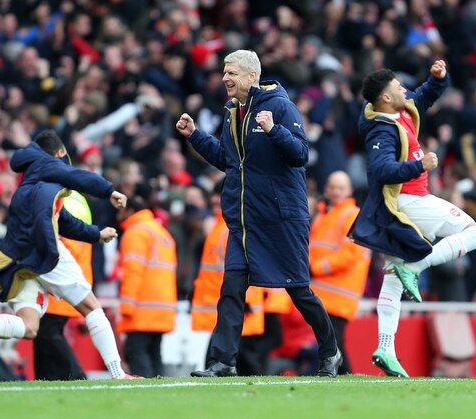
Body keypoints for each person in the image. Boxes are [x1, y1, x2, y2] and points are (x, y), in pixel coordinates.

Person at [176, 49, 342, 378]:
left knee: (298, 290)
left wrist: (273, 130)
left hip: (281, 218)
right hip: (246, 220)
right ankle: (223, 361)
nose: (225, 77)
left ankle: (330, 352)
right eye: (224, 71)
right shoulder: (232, 111)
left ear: (252, 77)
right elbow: (228, 159)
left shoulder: (279, 106)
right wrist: (195, 135)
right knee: (232, 288)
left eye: (232, 72)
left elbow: (301, 155)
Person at [0, 130, 138, 380]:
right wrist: (109, 191)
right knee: (91, 307)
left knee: (30, 328)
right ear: (61, 152)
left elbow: (63, 221)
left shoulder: (32, 182)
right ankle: (118, 374)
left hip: (16, 258)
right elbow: (78, 177)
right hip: (42, 252)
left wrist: (97, 235)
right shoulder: (46, 164)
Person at [349, 61, 476, 377]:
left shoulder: (403, 110)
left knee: (393, 282)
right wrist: (420, 165)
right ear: (385, 98)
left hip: (407, 203)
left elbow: (424, 96)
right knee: (475, 232)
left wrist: (438, 79)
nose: (404, 89)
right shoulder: (381, 128)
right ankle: (418, 264)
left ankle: (385, 347)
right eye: (398, 86)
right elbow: (381, 170)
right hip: (408, 202)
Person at [190, 178, 265, 375]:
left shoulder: (228, 227)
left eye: (218, 195)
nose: (215, 200)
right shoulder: (219, 227)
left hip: (239, 309)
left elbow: (247, 267)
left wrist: (245, 301)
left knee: (239, 360)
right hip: (231, 308)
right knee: (246, 362)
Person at [309, 170, 371, 374]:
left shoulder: (351, 215)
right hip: (326, 292)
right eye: (332, 187)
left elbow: (350, 253)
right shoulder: (324, 214)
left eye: (340, 188)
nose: (336, 191)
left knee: (333, 340)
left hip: (340, 292)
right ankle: (342, 375)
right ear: (326, 189)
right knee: (330, 340)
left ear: (349, 191)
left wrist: (316, 268)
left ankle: (345, 374)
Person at [117, 183, 177, 378]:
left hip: (141, 308)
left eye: (121, 210)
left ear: (130, 211)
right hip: (163, 308)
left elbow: (133, 272)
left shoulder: (136, 232)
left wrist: (126, 307)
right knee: (154, 353)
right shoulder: (161, 232)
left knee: (135, 351)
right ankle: (159, 392)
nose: (117, 216)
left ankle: (145, 390)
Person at [33, 191, 92, 381]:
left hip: (58, 283)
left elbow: (64, 245)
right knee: (45, 336)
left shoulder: (57, 197)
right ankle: (44, 379)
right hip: (71, 280)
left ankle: (77, 376)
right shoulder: (77, 199)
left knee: (47, 334)